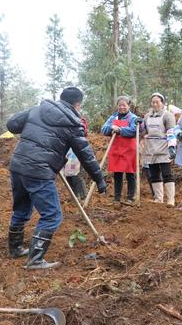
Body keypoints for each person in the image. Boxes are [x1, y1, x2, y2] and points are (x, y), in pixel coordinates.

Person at [6, 87, 107, 270]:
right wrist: (99, 179)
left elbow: (12, 125)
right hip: (39, 171)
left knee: (21, 208)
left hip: (18, 165)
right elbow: (86, 155)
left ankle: (15, 248)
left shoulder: (38, 109)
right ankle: (35, 260)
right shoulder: (72, 124)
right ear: (77, 104)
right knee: (52, 215)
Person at [101, 96, 143, 204]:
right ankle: (117, 198)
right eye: (120, 105)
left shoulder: (133, 118)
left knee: (130, 174)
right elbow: (103, 129)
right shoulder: (113, 118)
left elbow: (134, 130)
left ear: (129, 106)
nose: (122, 107)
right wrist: (111, 128)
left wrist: (120, 130)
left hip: (129, 149)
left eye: (124, 105)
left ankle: (130, 198)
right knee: (117, 174)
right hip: (116, 149)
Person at [141, 92, 177, 206]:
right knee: (154, 174)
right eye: (153, 102)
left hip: (163, 148)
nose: (155, 104)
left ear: (162, 103)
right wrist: (140, 125)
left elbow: (171, 132)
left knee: (167, 174)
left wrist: (172, 146)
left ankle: (171, 199)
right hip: (151, 149)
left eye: (157, 102)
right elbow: (144, 132)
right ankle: (158, 198)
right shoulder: (147, 116)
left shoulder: (167, 115)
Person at [63, 116, 89, 200]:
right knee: (68, 174)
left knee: (76, 174)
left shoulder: (80, 120)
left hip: (77, 149)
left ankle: (83, 196)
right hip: (66, 151)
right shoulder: (63, 119)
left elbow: (83, 131)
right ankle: (75, 196)